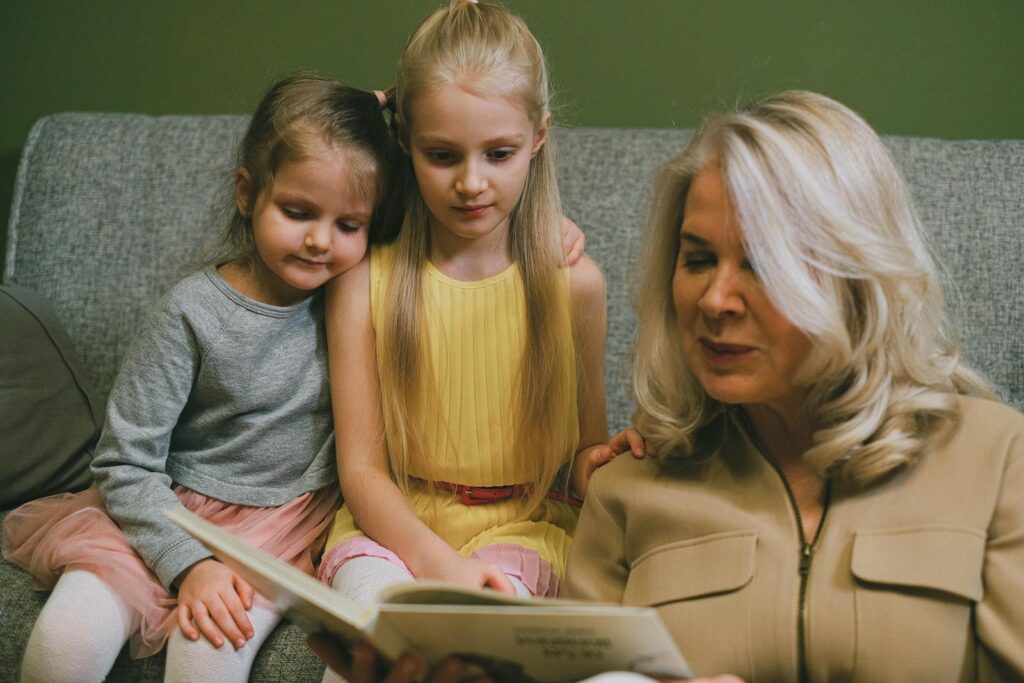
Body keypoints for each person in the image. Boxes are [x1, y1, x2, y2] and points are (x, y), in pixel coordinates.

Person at [561, 90, 1024, 681]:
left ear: (855, 276)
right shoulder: (625, 489)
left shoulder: (999, 459)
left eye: (763, 263)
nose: (716, 300)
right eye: (698, 260)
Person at [2, 73, 404, 683]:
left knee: (206, 651)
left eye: (349, 226)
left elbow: (464, 200)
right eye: (298, 212)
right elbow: (124, 463)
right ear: (247, 193)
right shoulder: (191, 312)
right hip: (168, 512)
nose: (322, 241)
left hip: (281, 529)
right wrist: (188, 564)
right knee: (65, 641)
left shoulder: (357, 301)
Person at [317, 0, 608, 669]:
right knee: (370, 624)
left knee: (477, 636)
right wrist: (436, 561)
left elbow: (586, 450)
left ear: (538, 136)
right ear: (406, 143)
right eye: (442, 155)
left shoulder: (574, 286)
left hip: (526, 532)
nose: (471, 183)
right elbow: (361, 468)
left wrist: (619, 466)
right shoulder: (363, 284)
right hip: (389, 528)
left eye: (499, 153)